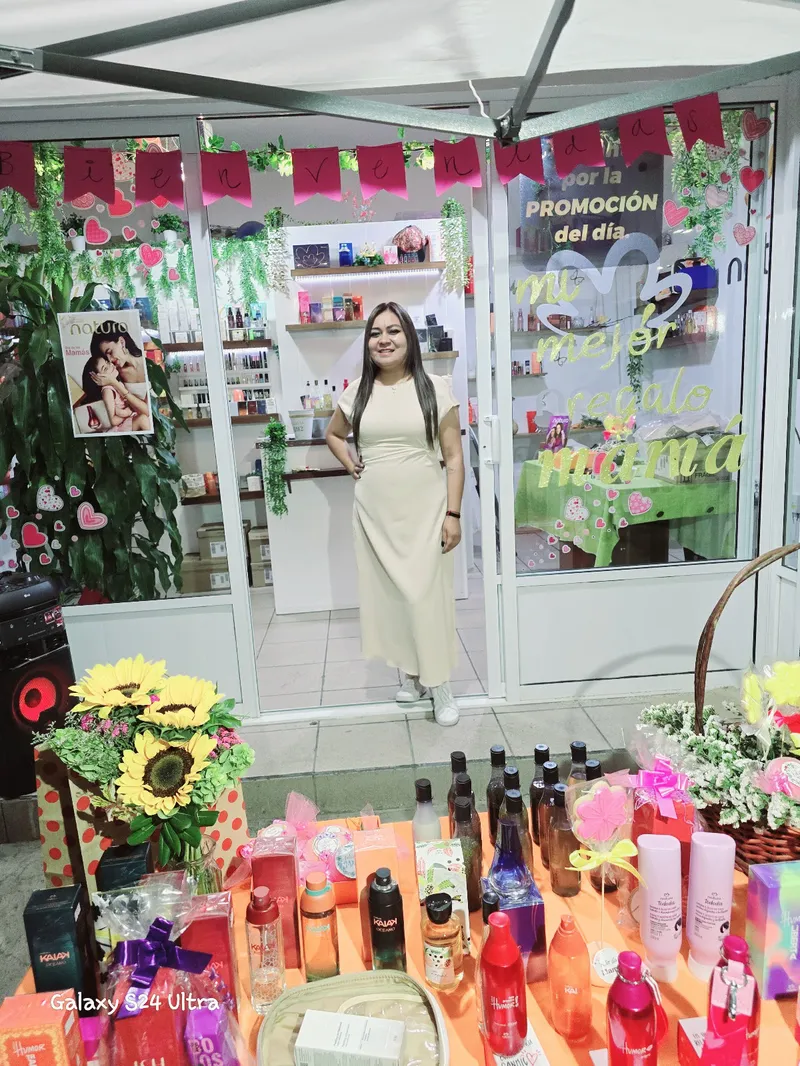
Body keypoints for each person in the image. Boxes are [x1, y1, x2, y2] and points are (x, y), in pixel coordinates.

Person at [325, 301, 465, 727]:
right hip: (374, 512)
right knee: (392, 597)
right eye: (375, 333)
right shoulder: (357, 391)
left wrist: (453, 514)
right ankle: (410, 674)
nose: (383, 340)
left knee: (426, 595)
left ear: (410, 339)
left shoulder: (436, 388)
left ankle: (439, 683)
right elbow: (333, 434)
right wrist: (351, 464)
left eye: (394, 331)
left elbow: (455, 457)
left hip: (425, 510)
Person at [81, 353, 151, 433]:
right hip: (122, 426)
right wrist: (128, 412)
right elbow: (113, 421)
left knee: (145, 417)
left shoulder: (118, 383)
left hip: (131, 417)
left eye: (107, 362)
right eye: (105, 368)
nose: (111, 365)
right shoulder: (107, 391)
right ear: (98, 378)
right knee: (143, 419)